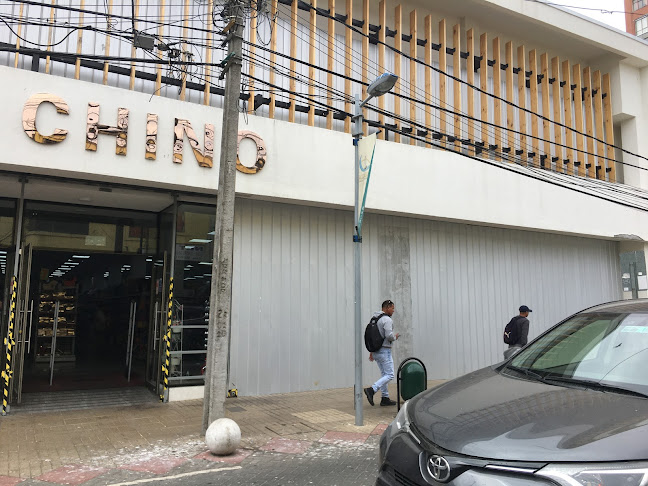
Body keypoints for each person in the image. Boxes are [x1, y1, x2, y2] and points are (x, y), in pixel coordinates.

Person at [364, 300, 399, 406]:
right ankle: (372, 389)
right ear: (387, 308)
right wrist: (395, 337)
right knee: (390, 375)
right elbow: (389, 336)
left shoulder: (375, 318)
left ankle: (385, 398)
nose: (393, 311)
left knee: (384, 375)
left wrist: (372, 351)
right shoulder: (387, 319)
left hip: (376, 351)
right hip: (384, 351)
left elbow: (373, 336)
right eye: (392, 308)